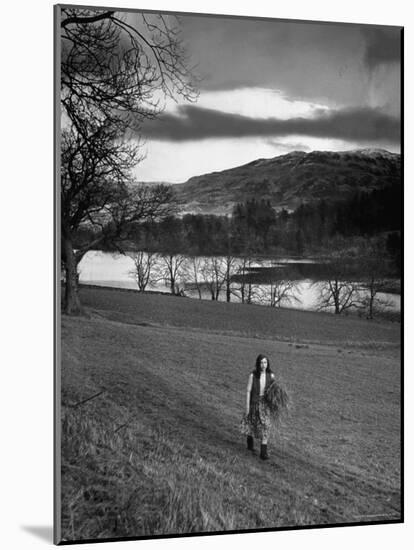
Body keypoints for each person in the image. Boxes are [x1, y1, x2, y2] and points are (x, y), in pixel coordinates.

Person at [242, 354, 275, 460]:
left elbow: (274, 391)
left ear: (268, 363)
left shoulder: (272, 376)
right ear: (258, 363)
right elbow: (248, 391)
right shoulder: (253, 375)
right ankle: (250, 441)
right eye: (261, 362)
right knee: (252, 424)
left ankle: (263, 453)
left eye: (265, 362)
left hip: (265, 405)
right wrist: (247, 407)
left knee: (266, 426)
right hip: (254, 403)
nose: (263, 365)